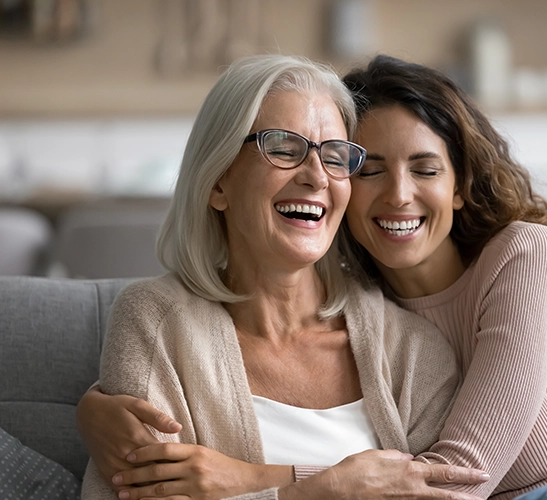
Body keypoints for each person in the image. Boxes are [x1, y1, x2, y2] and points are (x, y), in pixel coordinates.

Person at [78, 55, 547, 500]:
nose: (398, 195)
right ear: (217, 181)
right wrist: (91, 405)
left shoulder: (503, 271)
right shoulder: (378, 303)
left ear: (460, 185)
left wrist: (268, 481)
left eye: (334, 155)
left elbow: (453, 480)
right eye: (369, 168)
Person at [80, 54, 489, 500]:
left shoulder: (410, 350)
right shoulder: (156, 323)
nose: (316, 177)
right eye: (282, 148)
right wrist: (321, 490)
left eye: (336, 157)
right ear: (218, 181)